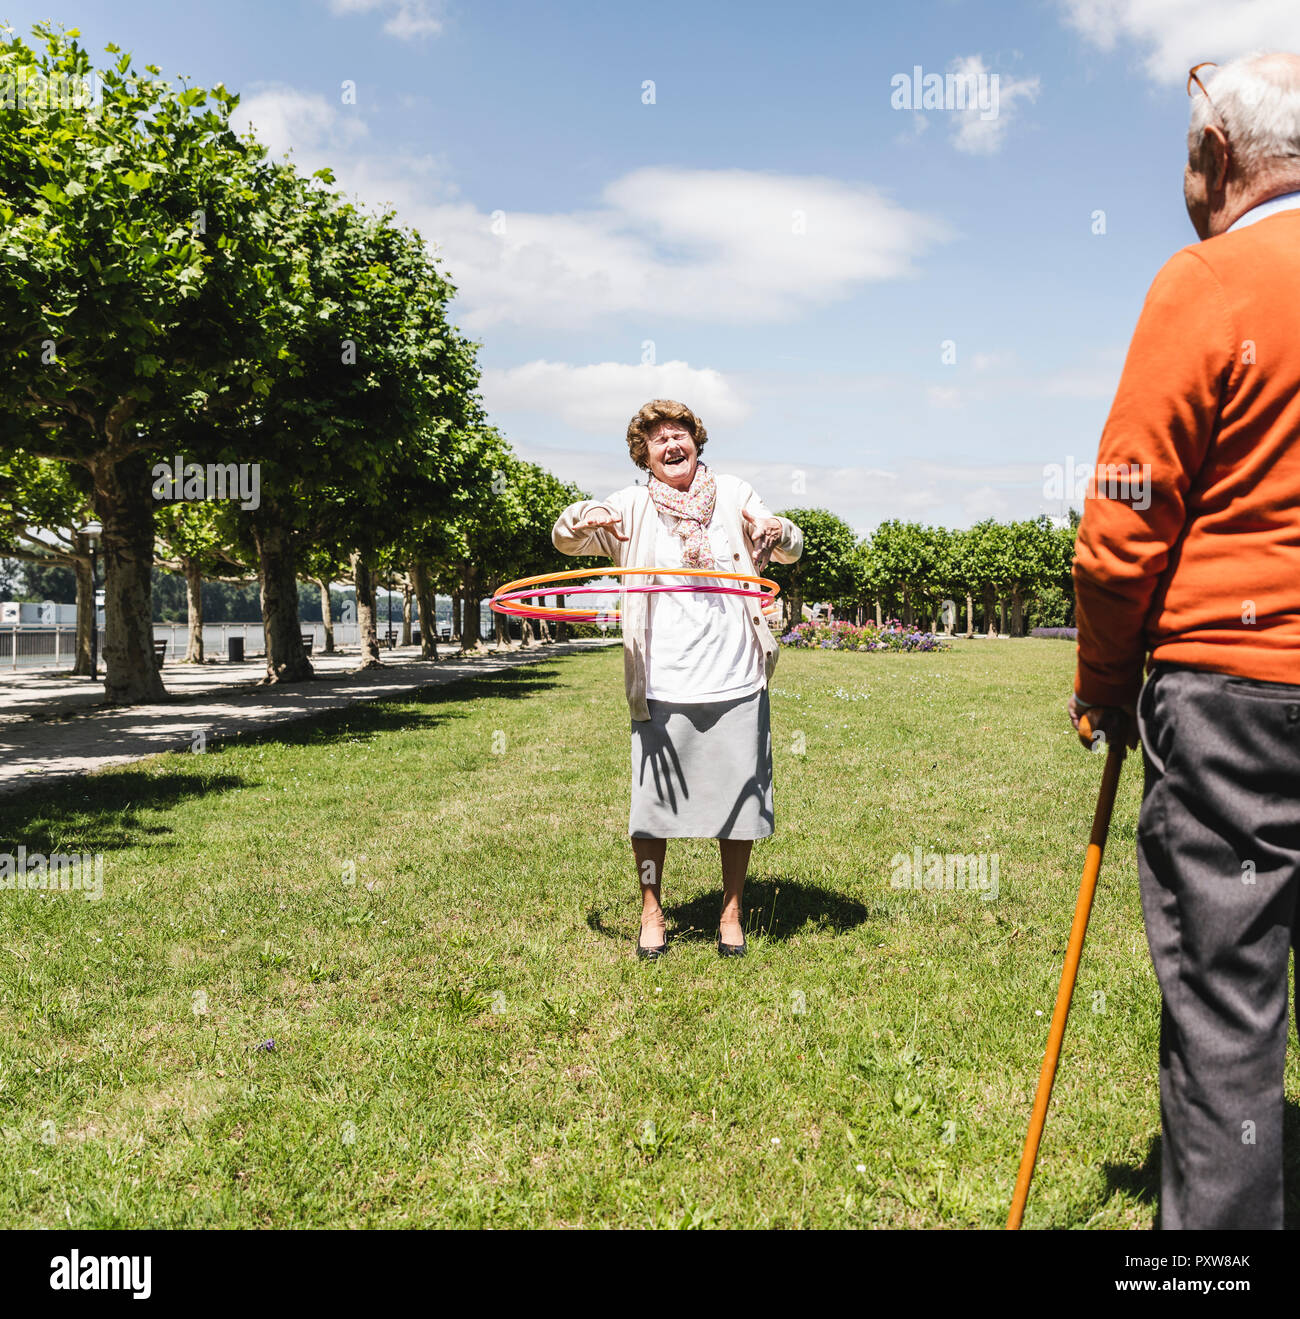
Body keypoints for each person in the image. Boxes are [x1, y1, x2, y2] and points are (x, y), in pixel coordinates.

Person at [1069, 52, 1300, 1229]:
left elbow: (1121, 514)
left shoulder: (1206, 279)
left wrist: (1104, 680)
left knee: (1226, 1007)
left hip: (1237, 698)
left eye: (1183, 152)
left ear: (1217, 156)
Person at [553, 399, 802, 959]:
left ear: (696, 441)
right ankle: (652, 912)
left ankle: (732, 911)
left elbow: (789, 549)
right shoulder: (631, 506)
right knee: (653, 808)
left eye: (679, 434)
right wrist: (583, 517)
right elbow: (565, 542)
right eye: (657, 438)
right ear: (643, 453)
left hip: (735, 674)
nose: (671, 444)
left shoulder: (734, 493)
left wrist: (774, 526)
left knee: (739, 801)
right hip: (662, 678)